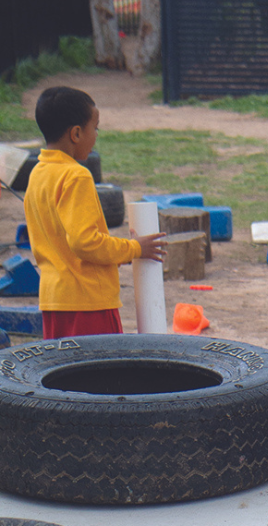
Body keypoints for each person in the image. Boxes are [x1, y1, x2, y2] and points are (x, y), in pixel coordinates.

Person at [23, 86, 165, 339]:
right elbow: (85, 242)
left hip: (53, 301)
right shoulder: (75, 175)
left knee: (60, 376)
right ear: (76, 133)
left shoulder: (38, 173)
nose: (96, 136)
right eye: (95, 128)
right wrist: (134, 248)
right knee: (102, 377)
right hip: (88, 304)